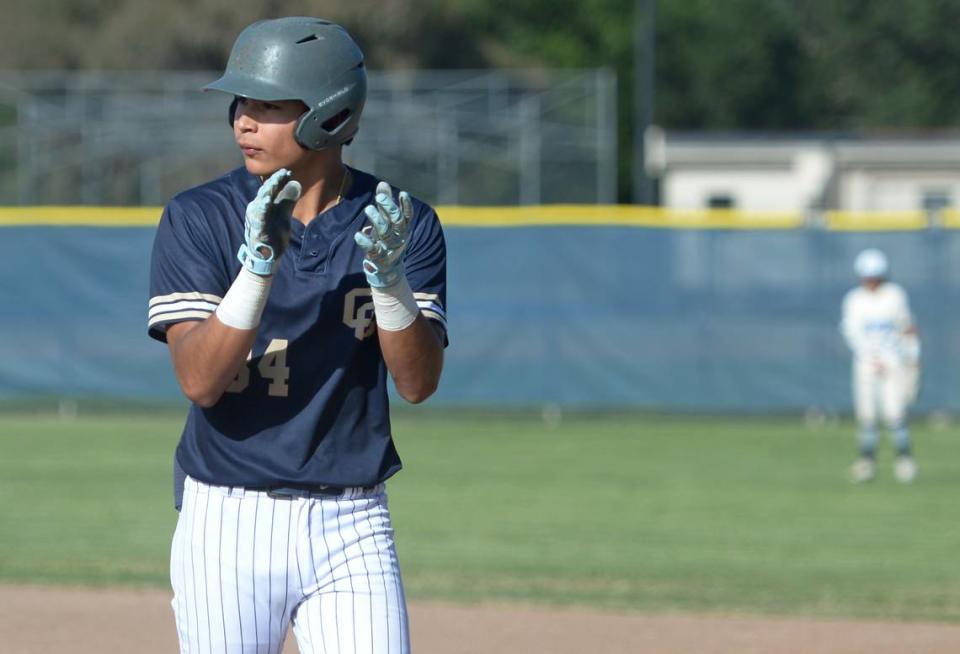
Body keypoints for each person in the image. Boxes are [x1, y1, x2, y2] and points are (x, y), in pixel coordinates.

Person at [147, 17, 447, 653]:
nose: (243, 121)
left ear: (330, 117)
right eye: (241, 103)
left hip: (354, 520)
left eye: (268, 105)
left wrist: (390, 283)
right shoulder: (200, 216)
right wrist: (257, 270)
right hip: (228, 517)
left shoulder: (400, 221)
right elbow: (199, 381)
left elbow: (418, 384)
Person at [840, 248, 919, 484]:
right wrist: (872, 357)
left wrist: (911, 357)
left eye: (875, 276)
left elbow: (907, 328)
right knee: (867, 415)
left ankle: (904, 460)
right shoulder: (855, 299)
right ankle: (867, 462)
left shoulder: (894, 295)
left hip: (893, 361)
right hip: (866, 363)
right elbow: (851, 333)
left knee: (895, 412)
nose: (872, 281)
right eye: (868, 276)